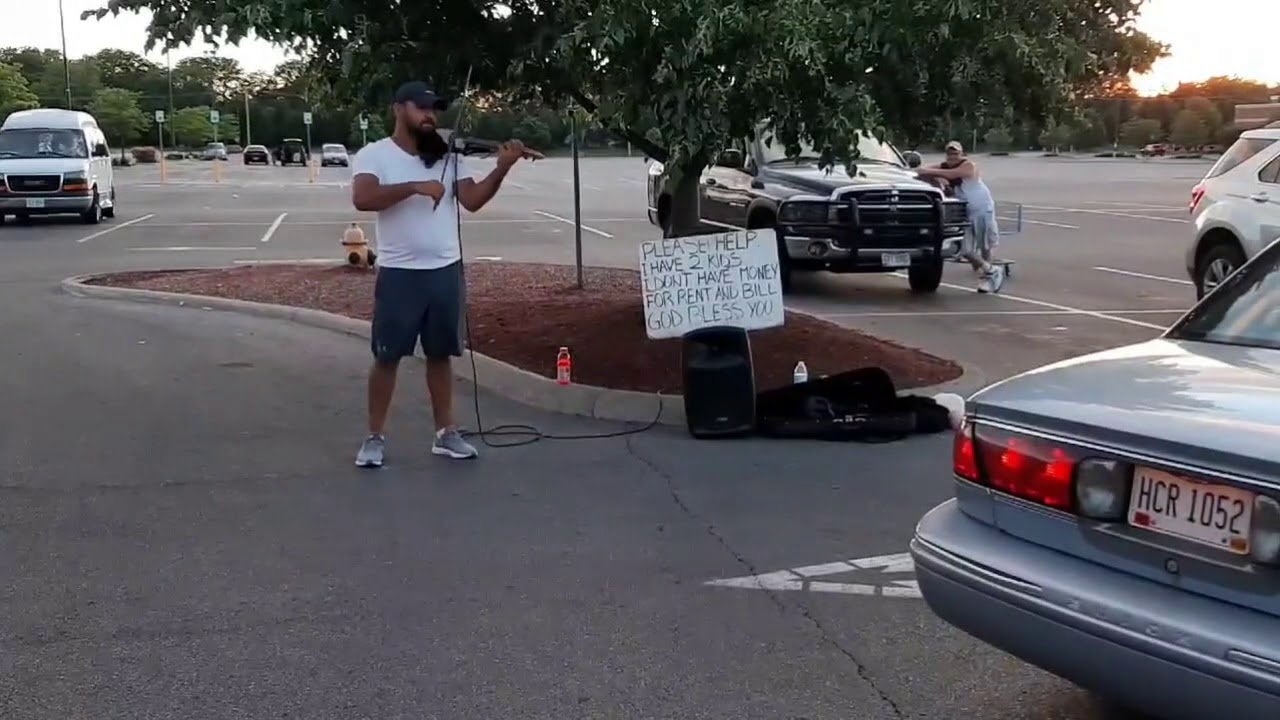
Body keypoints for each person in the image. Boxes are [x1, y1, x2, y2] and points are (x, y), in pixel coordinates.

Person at [350, 80, 532, 468]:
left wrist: (501, 169)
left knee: (440, 355)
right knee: (387, 356)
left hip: (445, 270)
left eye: (434, 109)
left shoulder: (448, 155)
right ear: (399, 109)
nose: (430, 115)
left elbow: (472, 201)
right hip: (400, 273)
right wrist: (416, 185)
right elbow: (363, 198)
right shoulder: (375, 155)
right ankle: (374, 437)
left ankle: (446, 434)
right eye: (421, 107)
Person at [916, 141, 1005, 294]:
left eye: (956, 153)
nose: (953, 156)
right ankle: (991, 270)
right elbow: (920, 171)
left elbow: (952, 174)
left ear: (961, 154)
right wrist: (933, 177)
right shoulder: (944, 166)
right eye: (950, 153)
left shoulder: (968, 166)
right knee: (965, 250)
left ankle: (987, 279)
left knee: (985, 246)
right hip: (965, 213)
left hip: (982, 209)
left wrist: (935, 174)